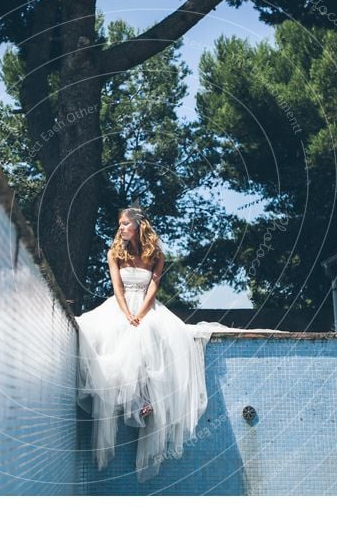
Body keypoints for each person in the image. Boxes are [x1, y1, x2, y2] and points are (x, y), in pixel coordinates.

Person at [75, 206, 282, 481]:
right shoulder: (115, 253)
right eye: (120, 224)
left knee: (150, 333)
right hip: (120, 306)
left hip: (147, 308)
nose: (121, 228)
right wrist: (127, 314)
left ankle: (144, 400)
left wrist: (141, 314)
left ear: (138, 226)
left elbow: (153, 288)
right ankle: (135, 399)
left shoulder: (155, 255)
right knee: (115, 335)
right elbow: (117, 288)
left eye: (126, 224)